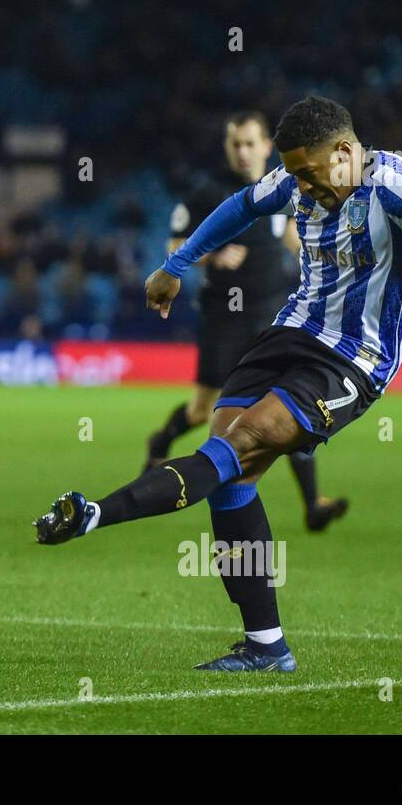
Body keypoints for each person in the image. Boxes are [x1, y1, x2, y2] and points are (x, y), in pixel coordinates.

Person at [34, 95, 402, 672]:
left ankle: (96, 513)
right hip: (288, 334)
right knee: (229, 476)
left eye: (308, 173)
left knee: (241, 442)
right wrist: (175, 267)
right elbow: (239, 207)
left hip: (353, 359)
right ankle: (267, 646)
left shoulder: (396, 185)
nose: (298, 187)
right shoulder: (299, 177)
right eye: (293, 174)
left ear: (345, 153)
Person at [147, 111, 348, 531]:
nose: (243, 152)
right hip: (223, 319)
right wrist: (214, 255)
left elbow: (295, 240)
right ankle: (161, 442)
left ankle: (313, 503)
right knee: (203, 411)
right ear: (227, 147)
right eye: (235, 143)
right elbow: (175, 244)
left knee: (287, 406)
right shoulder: (209, 193)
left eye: (250, 143)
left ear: (265, 147)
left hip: (274, 318)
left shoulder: (287, 187)